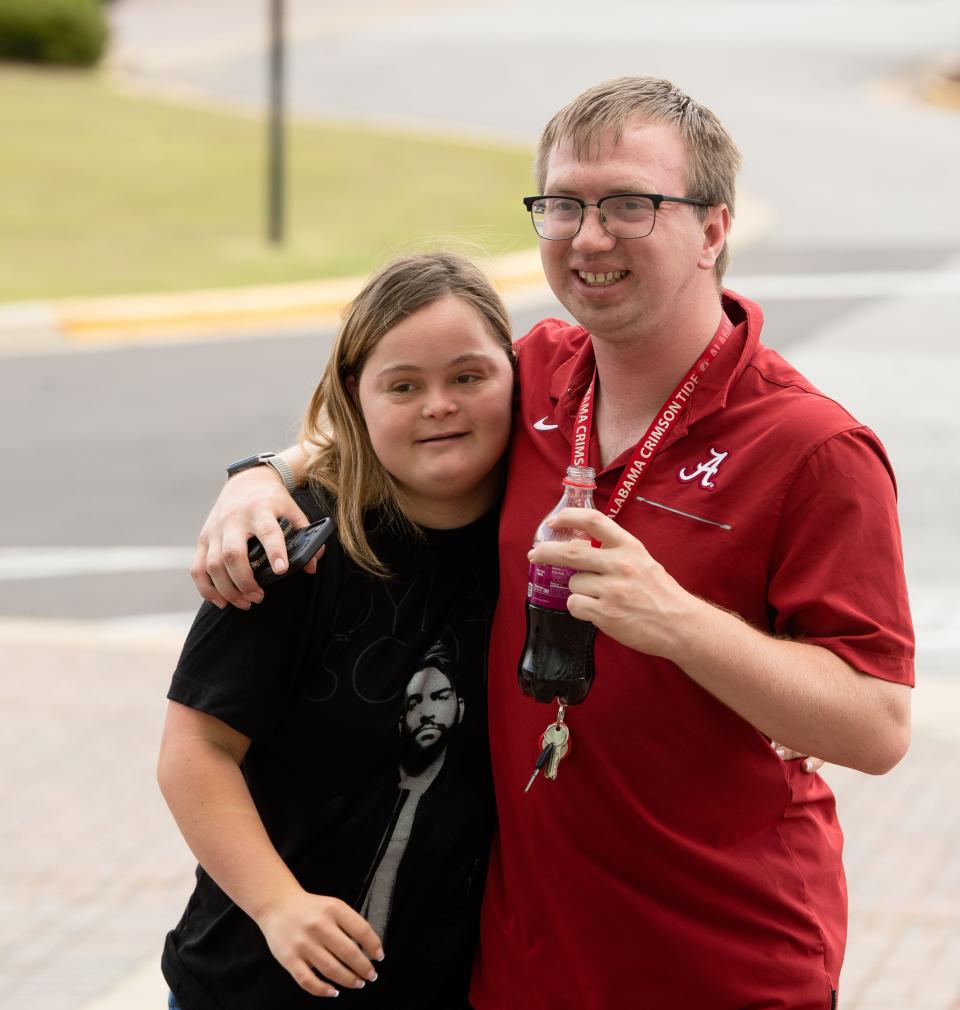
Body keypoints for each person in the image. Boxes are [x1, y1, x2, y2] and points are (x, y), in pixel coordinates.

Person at [190, 78, 914, 1009]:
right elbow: (402, 419)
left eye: (629, 204)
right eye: (564, 204)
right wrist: (260, 474)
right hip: (519, 964)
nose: (589, 236)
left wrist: (678, 622)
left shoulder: (814, 449)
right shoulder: (535, 375)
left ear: (713, 227)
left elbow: (879, 727)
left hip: (722, 964)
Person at [157, 251, 515, 1009]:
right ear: (355, 398)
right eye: (404, 386)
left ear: (516, 376)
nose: (440, 405)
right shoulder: (293, 540)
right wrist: (278, 904)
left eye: (468, 377)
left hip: (446, 987)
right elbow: (195, 752)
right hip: (255, 982)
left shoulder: (538, 537)